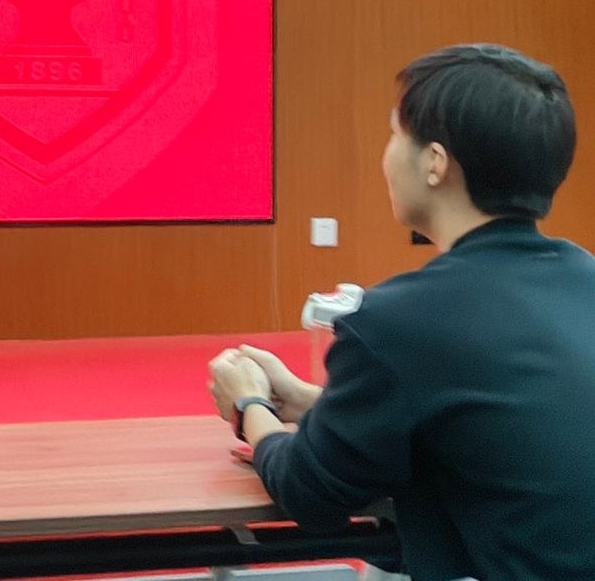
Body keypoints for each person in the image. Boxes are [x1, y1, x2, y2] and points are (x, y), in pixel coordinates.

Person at [207, 43, 595, 581]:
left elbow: (309, 491)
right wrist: (311, 403)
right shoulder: (584, 277)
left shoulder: (397, 321)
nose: (386, 157)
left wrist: (248, 403)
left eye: (394, 134)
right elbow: (492, 419)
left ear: (434, 162)